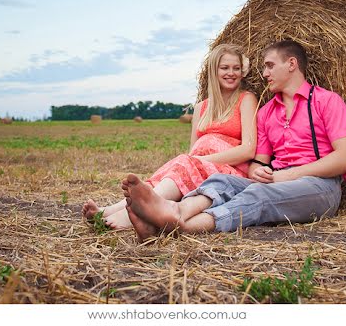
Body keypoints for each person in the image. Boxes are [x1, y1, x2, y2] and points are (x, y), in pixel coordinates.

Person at [120, 39, 346, 241]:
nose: (264, 73)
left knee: (259, 196)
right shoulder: (266, 113)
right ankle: (172, 212)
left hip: (320, 187)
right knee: (220, 182)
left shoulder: (326, 101)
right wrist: (257, 171)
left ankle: (182, 226)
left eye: (269, 66)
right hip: (275, 180)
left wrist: (289, 175)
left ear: (291, 64)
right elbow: (259, 161)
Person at [82, 43, 258, 229]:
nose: (231, 73)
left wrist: (201, 160)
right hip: (198, 166)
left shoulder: (246, 99)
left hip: (228, 171)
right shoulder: (201, 108)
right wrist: (195, 161)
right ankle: (111, 210)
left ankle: (124, 216)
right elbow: (194, 148)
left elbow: (248, 149)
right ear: (214, 71)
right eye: (225, 68)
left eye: (236, 68)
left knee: (184, 162)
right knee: (176, 168)